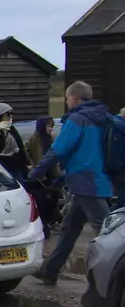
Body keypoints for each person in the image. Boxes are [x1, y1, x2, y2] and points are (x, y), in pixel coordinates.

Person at [30, 81, 114, 284]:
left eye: (67, 99)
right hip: (98, 178)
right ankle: (50, 270)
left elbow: (59, 149)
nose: (66, 102)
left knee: (107, 232)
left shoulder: (77, 119)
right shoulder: (104, 118)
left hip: (86, 181)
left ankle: (114, 276)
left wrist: (37, 171)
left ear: (74, 99)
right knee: (70, 228)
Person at [0, 102, 29, 181]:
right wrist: (0, 132)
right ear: (0, 115)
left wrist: (25, 163)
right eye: (8, 114)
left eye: (11, 113)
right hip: (4, 168)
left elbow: (20, 146)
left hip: (17, 167)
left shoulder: (11, 128)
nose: (11, 116)